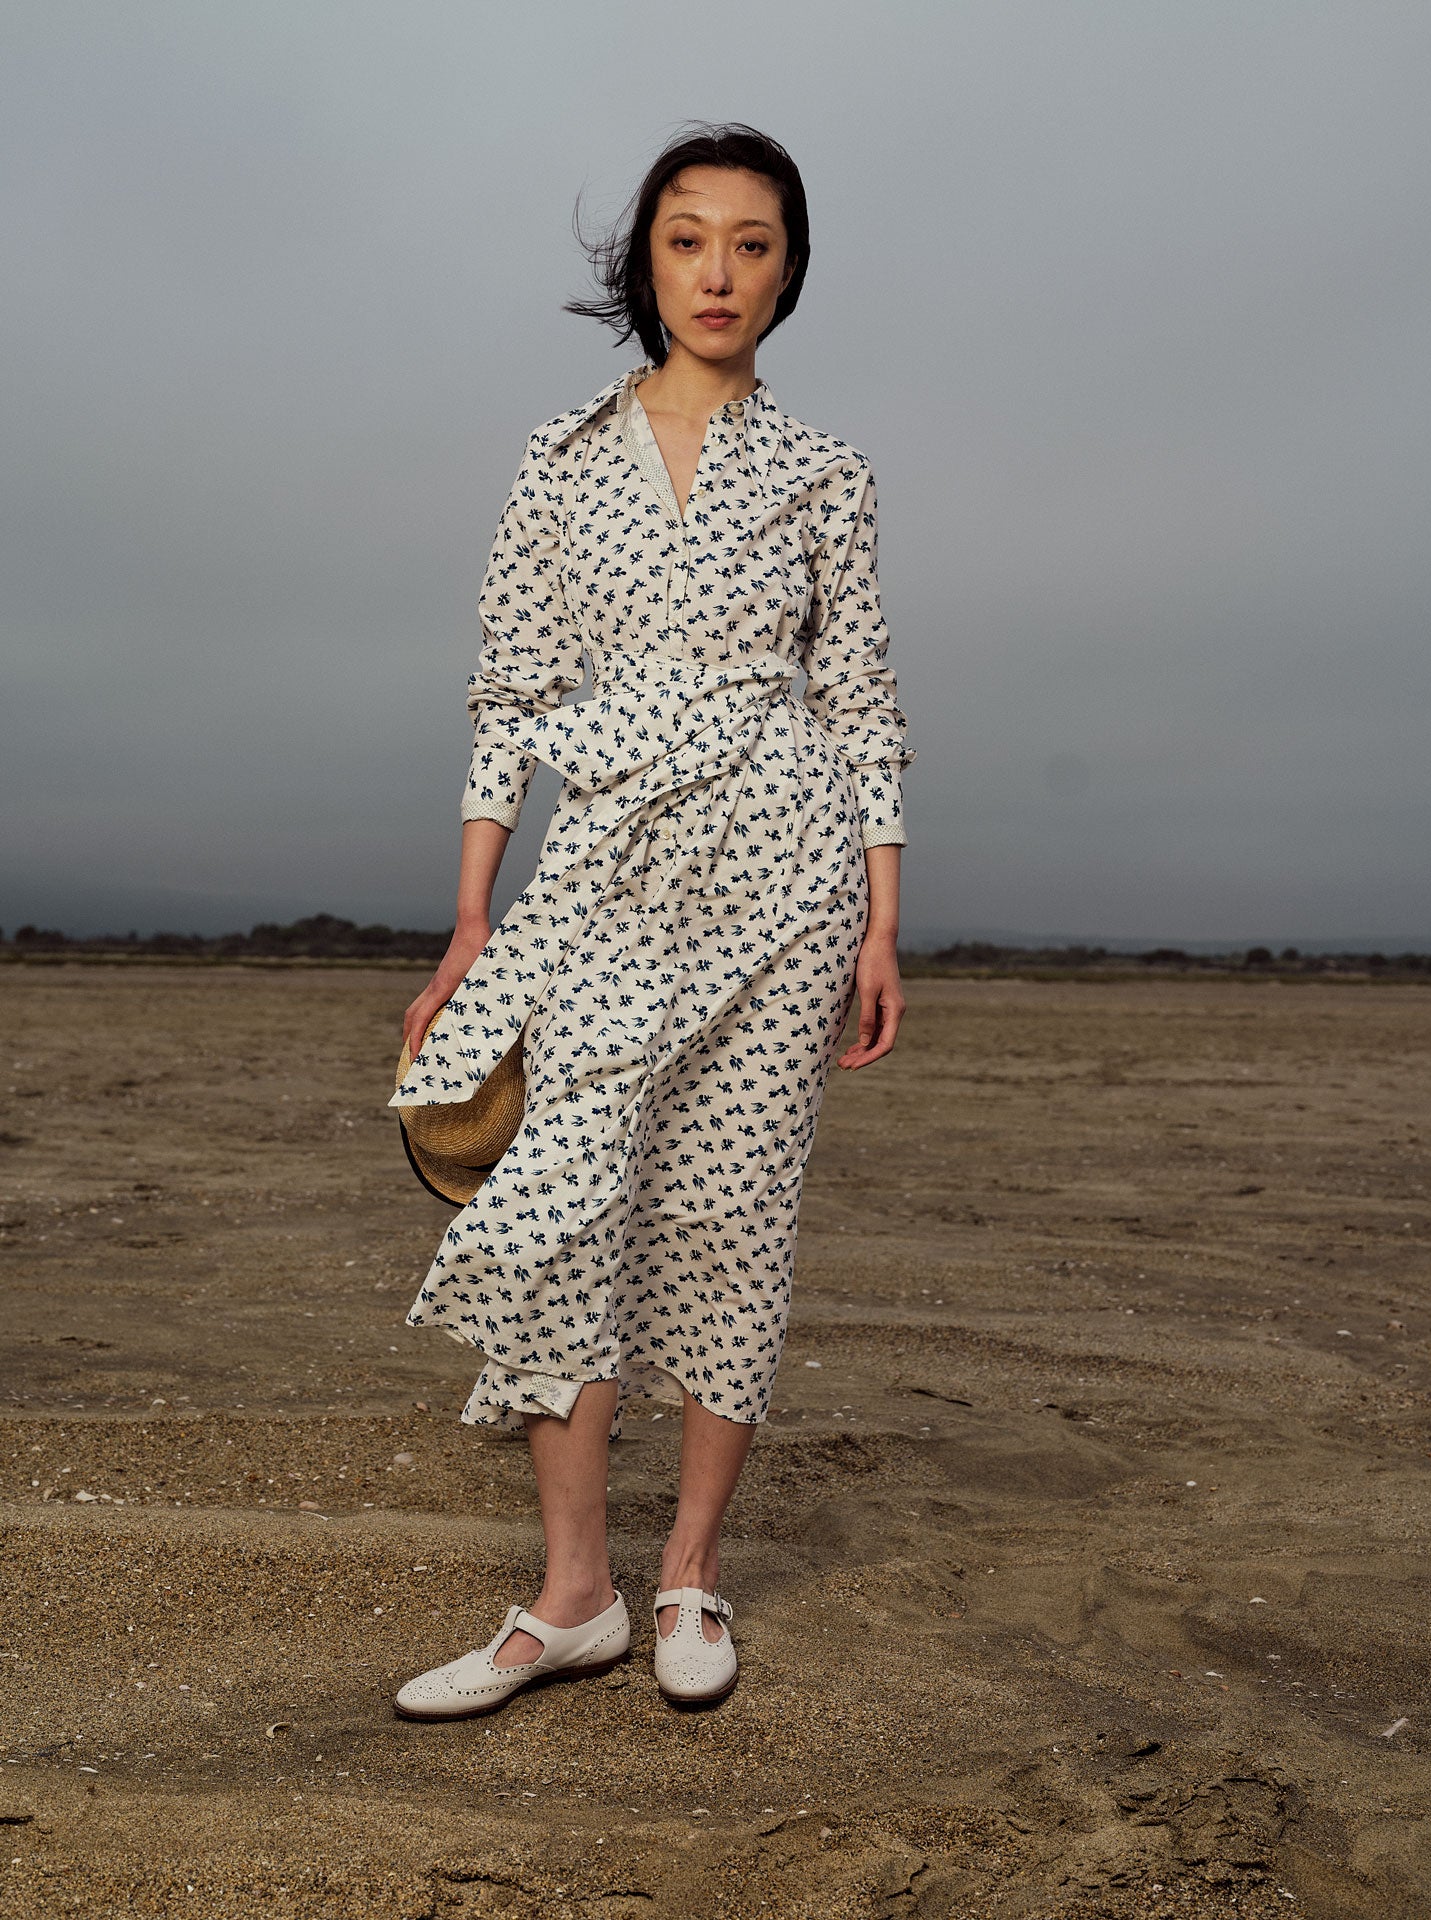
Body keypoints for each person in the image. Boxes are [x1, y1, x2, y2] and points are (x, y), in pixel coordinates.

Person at [390, 122, 914, 1719]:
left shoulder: (827, 470)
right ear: (645, 261)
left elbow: (864, 698)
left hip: (791, 868)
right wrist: (471, 917)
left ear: (788, 275)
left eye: (755, 245)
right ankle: (572, 1594)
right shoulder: (556, 460)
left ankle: (686, 1572)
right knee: (559, 1199)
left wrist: (883, 923)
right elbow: (509, 696)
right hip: (611, 864)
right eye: (691, 238)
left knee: (730, 1212)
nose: (720, 272)